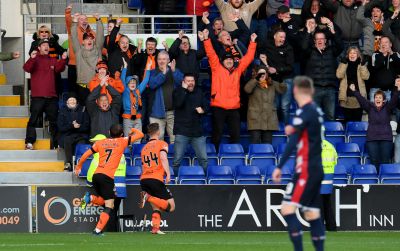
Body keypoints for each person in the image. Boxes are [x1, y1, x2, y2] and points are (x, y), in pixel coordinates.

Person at [272, 76, 325, 251]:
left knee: (287, 209)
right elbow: (305, 134)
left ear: (294, 91)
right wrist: (295, 129)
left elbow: (293, 142)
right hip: (317, 168)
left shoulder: (303, 112)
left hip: (306, 170)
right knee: (312, 213)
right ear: (312, 90)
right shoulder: (316, 110)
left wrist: (279, 167)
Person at [75, 124, 144, 235]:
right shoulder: (122, 141)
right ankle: (97, 231)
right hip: (107, 177)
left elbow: (86, 154)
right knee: (110, 205)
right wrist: (132, 131)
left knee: (104, 200)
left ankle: (91, 198)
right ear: (121, 134)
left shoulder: (100, 143)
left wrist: (78, 167)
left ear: (109, 132)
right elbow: (140, 134)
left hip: (96, 176)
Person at [199, 29, 257, 149]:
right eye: (227, 59)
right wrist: (206, 39)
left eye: (231, 59)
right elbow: (210, 53)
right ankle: (215, 156)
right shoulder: (216, 67)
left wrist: (252, 42)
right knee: (217, 134)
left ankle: (234, 156)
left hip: (234, 108)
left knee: (235, 135)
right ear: (223, 61)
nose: (229, 61)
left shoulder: (238, 69)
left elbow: (249, 57)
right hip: (219, 107)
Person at [23, 39, 67, 150]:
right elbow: (26, 68)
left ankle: (56, 144)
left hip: (51, 97)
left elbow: (59, 69)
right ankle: (29, 142)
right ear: (39, 48)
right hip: (37, 97)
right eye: (44, 45)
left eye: (47, 45)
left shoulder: (52, 59)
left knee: (54, 122)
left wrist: (63, 59)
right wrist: (32, 58)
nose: (46, 46)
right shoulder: (34, 58)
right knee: (33, 120)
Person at [349, 81, 400, 172]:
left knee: (385, 162)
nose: (378, 99)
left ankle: (385, 184)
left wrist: (398, 90)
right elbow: (361, 100)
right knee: (374, 161)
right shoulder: (370, 107)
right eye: (376, 97)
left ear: (383, 100)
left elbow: (394, 100)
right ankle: (375, 183)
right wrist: (354, 91)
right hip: (372, 139)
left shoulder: (388, 107)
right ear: (374, 99)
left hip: (386, 139)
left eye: (380, 97)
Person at [139, 123, 176, 234]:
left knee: (156, 207)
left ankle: (155, 228)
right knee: (171, 206)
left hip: (144, 179)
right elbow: (163, 158)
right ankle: (148, 197)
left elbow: (142, 166)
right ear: (158, 132)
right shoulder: (162, 143)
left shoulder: (144, 148)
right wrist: (168, 174)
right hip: (155, 178)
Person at [301, 29, 343, 121]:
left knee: (330, 116)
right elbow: (303, 47)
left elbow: (341, 46)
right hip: (314, 89)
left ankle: (329, 135)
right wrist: (308, 32)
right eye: (317, 39)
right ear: (314, 41)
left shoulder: (332, 51)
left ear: (325, 40)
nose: (320, 40)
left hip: (330, 89)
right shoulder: (310, 52)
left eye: (322, 39)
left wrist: (333, 31)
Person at [172, 73, 209, 171]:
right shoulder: (178, 91)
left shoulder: (199, 92)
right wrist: (183, 90)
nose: (190, 83)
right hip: (182, 131)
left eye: (192, 81)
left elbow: (207, 106)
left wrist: (203, 110)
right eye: (188, 81)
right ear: (183, 82)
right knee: (177, 160)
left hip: (197, 132)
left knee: (204, 159)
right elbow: (178, 104)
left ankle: (206, 181)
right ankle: (175, 183)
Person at [244, 65, 287, 144]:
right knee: (255, 144)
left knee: (267, 144)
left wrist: (280, 78)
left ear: (267, 74)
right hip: (255, 120)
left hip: (268, 119)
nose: (262, 75)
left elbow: (282, 90)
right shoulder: (252, 83)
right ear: (256, 74)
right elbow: (247, 89)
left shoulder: (272, 83)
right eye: (260, 73)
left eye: (264, 73)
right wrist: (256, 79)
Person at [259, 29, 294, 124]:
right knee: (275, 105)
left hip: (286, 79)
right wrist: (266, 66)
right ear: (275, 36)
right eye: (280, 37)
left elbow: (290, 67)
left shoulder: (288, 48)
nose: (282, 39)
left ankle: (286, 129)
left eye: (284, 37)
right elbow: (261, 57)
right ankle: (276, 127)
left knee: (284, 106)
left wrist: (277, 70)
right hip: (273, 80)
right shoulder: (267, 46)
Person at [148, 52, 184, 144]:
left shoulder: (174, 70)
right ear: (157, 60)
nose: (162, 61)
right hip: (156, 113)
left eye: (164, 59)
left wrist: (174, 71)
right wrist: (163, 73)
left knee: (175, 139)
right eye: (160, 59)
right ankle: (160, 158)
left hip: (173, 112)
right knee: (157, 140)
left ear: (168, 60)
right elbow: (152, 84)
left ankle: (173, 158)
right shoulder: (153, 72)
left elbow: (182, 83)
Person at [71, 12, 104, 105]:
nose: (89, 40)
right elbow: (73, 37)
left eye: (91, 38)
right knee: (84, 111)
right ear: (82, 42)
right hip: (83, 87)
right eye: (86, 39)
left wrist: (98, 20)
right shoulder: (78, 51)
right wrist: (74, 22)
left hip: (97, 86)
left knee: (97, 110)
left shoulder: (97, 49)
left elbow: (100, 36)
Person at [65, 4, 96, 92]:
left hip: (87, 65)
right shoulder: (72, 29)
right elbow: (68, 21)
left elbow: (98, 47)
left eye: (86, 19)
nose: (84, 21)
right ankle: (72, 106)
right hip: (74, 64)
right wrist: (68, 12)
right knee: (72, 90)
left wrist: (107, 52)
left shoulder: (93, 33)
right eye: (81, 19)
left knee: (85, 90)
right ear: (77, 21)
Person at [57, 93, 90, 171]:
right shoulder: (62, 111)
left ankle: (78, 164)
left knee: (81, 143)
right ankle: (69, 163)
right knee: (67, 140)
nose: (72, 101)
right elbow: (61, 127)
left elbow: (87, 125)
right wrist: (72, 126)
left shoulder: (83, 109)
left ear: (77, 102)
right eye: (70, 100)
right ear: (67, 102)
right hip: (67, 135)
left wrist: (79, 126)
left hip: (80, 135)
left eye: (74, 100)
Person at [337, 47, 370, 123]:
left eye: (354, 53)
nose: (352, 54)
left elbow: (366, 77)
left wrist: (362, 65)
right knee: (348, 123)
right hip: (346, 98)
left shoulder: (361, 64)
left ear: (358, 55)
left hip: (358, 98)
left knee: (357, 123)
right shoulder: (344, 63)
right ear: (348, 55)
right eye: (350, 53)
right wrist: (343, 64)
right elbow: (339, 75)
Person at [121, 58, 151, 138]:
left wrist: (148, 68)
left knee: (138, 137)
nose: (132, 84)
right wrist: (125, 67)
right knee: (128, 138)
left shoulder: (138, 90)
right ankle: (129, 150)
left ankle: (137, 150)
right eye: (130, 82)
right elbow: (122, 79)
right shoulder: (125, 90)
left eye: (134, 82)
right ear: (127, 84)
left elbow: (145, 80)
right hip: (127, 117)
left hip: (137, 118)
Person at [370, 36, 400, 101]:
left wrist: (391, 53)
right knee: (374, 110)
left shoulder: (396, 54)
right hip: (376, 90)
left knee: (389, 110)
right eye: (382, 43)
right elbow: (376, 67)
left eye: (386, 42)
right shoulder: (375, 55)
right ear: (379, 45)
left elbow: (399, 66)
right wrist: (383, 54)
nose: (384, 44)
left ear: (390, 44)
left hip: (390, 90)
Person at [320, 139, 337, 231]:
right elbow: (335, 162)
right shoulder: (330, 145)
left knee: (319, 204)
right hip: (329, 177)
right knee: (327, 204)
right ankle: (332, 227)